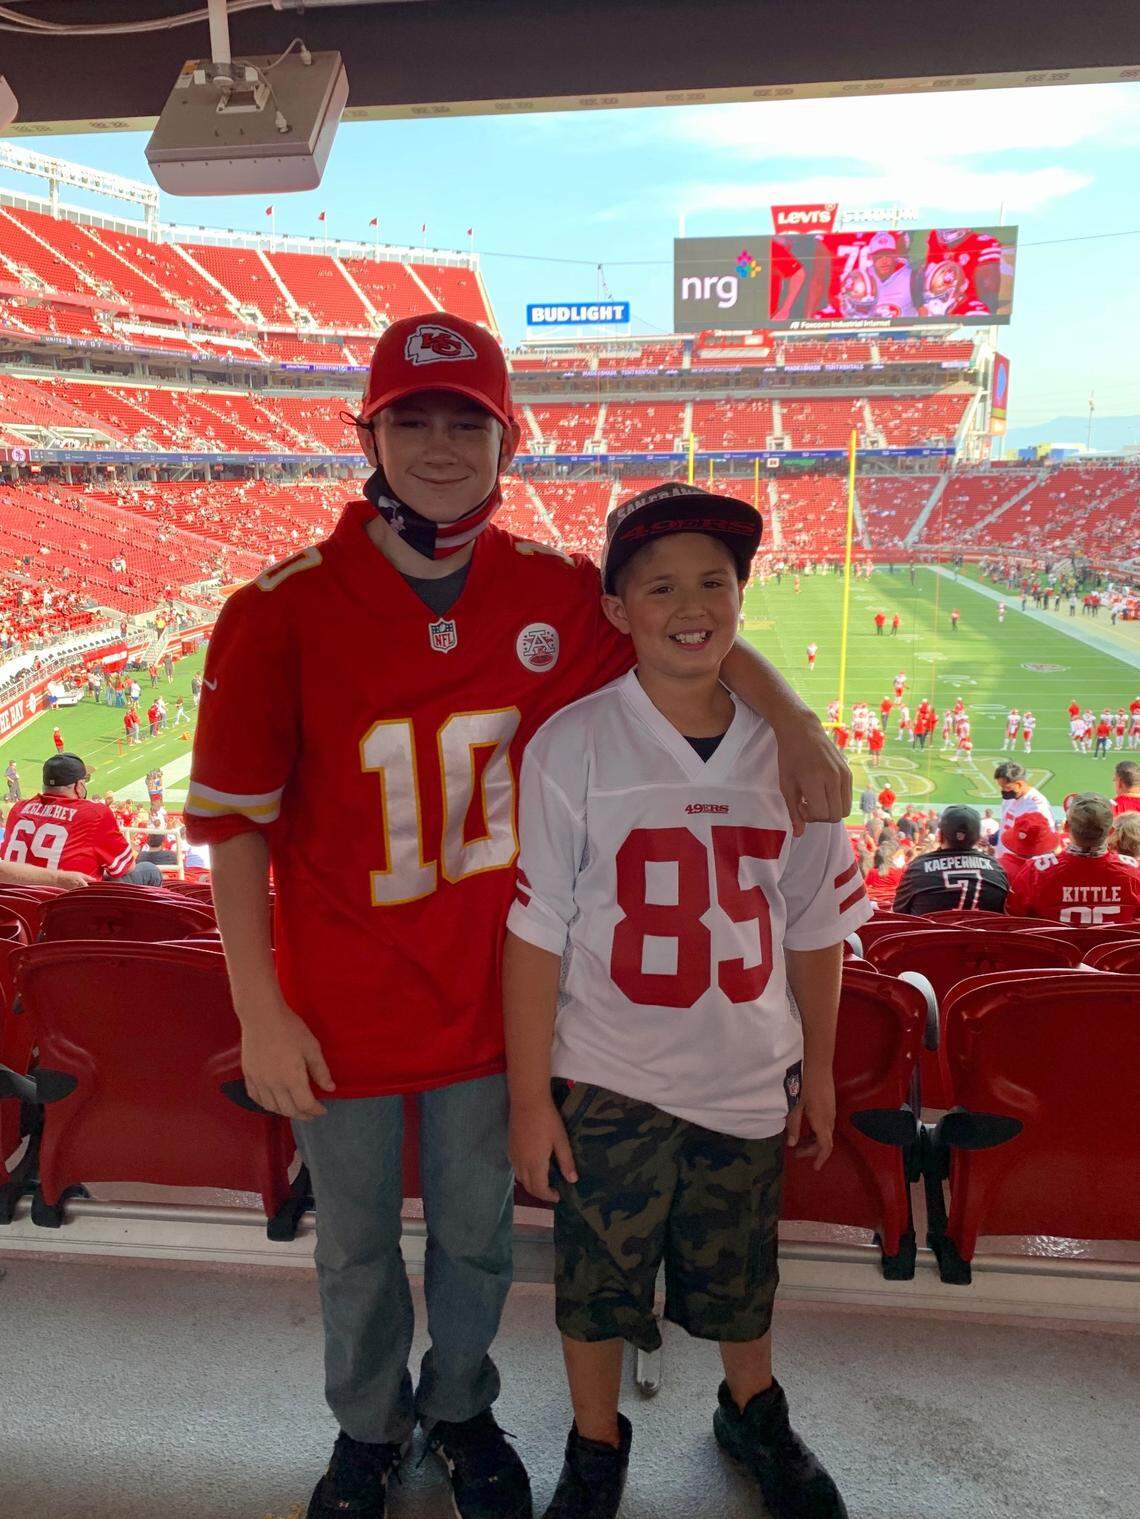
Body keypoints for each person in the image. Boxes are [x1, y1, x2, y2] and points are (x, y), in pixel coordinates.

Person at [182, 316, 848, 1519]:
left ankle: (459, 1403)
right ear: (368, 433)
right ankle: (369, 1429)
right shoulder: (273, 609)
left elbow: (691, 633)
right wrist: (260, 1007)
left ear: (508, 439)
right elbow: (234, 828)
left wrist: (791, 717)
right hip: (343, 1001)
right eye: (413, 419)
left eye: (467, 422)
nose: (441, 445)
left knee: (480, 1237)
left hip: (495, 1001)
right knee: (355, 1248)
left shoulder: (548, 591)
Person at [504, 485, 868, 1519]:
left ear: (745, 595)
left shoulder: (790, 754)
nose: (691, 603)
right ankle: (593, 1438)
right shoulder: (573, 743)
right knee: (595, 1280)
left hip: (748, 1071)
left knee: (742, 1276)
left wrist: (822, 1067)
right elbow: (534, 931)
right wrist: (533, 1098)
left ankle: (751, 1410)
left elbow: (812, 928)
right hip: (612, 1070)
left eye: (715, 580)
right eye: (659, 585)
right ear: (617, 610)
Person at [0, 752, 162, 885]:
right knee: (149, 870)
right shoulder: (95, 814)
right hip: (69, 906)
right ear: (78, 786)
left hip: (19, 902)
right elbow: (126, 868)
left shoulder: (19, 809)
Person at [1007, 793, 1140, 923]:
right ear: (1111, 832)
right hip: (1113, 945)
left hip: (1054, 945)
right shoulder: (1134, 872)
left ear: (1066, 827)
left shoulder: (1035, 872)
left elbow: (1013, 923)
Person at [892, 806, 1010, 914]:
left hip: (931, 936)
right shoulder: (997, 869)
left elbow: (900, 913)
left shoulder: (917, 868)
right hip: (980, 936)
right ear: (978, 838)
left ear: (940, 836)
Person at [992, 762, 1051, 867]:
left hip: (1021, 865)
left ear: (1019, 784)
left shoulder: (1037, 806)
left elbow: (1043, 840)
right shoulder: (1010, 798)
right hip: (1004, 859)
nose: (1003, 790)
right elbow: (1006, 822)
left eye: (1006, 787)